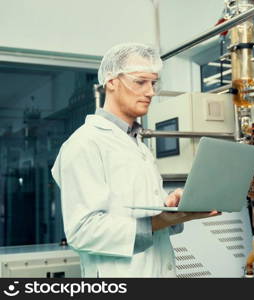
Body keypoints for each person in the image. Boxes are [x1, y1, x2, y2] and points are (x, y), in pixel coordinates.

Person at [51, 43, 221, 278]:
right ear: (111, 81)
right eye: (140, 82)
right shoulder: (84, 143)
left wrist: (171, 206)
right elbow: (82, 231)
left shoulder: (137, 144)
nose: (150, 91)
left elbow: (137, 209)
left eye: (153, 83)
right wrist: (159, 219)